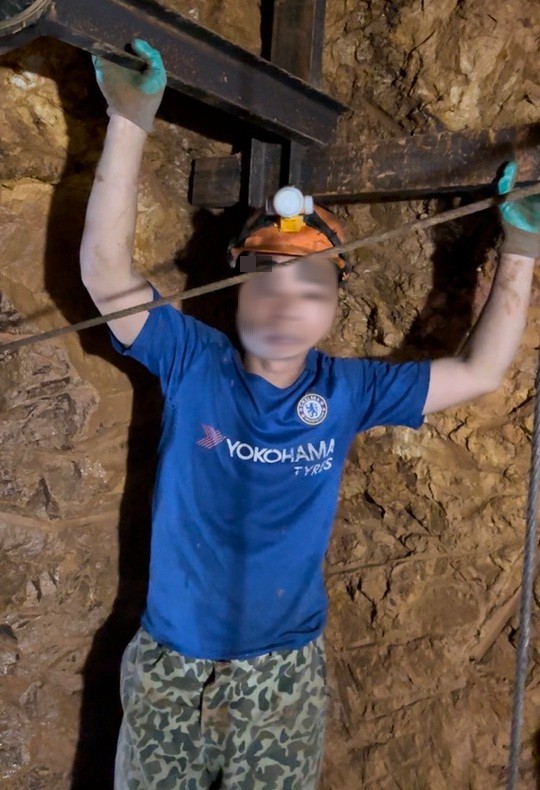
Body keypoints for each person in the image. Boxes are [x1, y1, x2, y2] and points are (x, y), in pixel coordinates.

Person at [81, 39, 540, 790]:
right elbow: (106, 276)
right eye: (267, 281)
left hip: (282, 675)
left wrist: (519, 245)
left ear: (334, 305)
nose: (286, 304)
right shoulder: (192, 359)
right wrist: (129, 119)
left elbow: (479, 371)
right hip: (171, 666)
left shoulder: (348, 389)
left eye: (311, 287)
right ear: (235, 289)